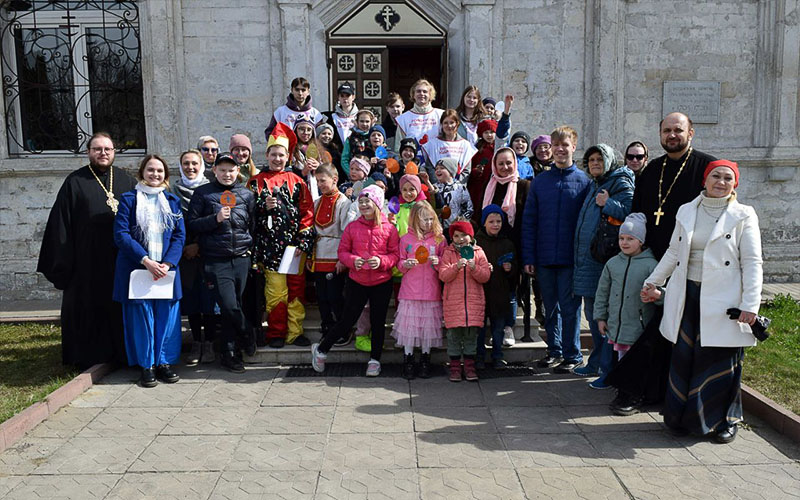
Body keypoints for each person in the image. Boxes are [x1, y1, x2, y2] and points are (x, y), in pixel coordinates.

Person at [641, 160, 762, 444]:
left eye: (728, 178)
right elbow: (673, 252)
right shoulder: (687, 210)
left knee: (719, 361)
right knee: (685, 357)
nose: (721, 182)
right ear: (705, 180)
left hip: (723, 300)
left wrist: (750, 305)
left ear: (735, 184)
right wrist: (654, 281)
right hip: (688, 294)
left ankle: (724, 421)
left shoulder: (744, 214)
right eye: (715, 176)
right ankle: (681, 418)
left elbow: (753, 262)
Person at [607, 112, 717, 413]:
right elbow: (640, 214)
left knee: (668, 331)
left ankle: (641, 390)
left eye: (678, 130)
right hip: (652, 260)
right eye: (667, 130)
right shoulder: (652, 169)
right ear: (660, 134)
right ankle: (639, 390)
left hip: (690, 264)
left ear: (690, 133)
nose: (672, 135)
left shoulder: (707, 168)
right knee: (649, 328)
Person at [38, 132, 137, 369]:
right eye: (97, 149)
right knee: (87, 308)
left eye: (108, 149)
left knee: (119, 308)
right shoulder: (75, 182)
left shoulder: (127, 180)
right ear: (88, 152)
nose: (103, 153)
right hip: (86, 262)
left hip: (119, 260)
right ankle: (88, 357)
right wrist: (63, 264)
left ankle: (123, 354)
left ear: (114, 152)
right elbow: (60, 224)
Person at [522, 126, 591, 373]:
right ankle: (555, 350)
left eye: (565, 145)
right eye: (556, 145)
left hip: (571, 259)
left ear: (574, 147)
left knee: (571, 308)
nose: (560, 149)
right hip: (544, 257)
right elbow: (529, 221)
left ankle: (573, 355)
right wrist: (529, 256)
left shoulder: (584, 182)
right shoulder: (540, 182)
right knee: (549, 307)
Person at [311, 185, 400, 377]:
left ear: (377, 203)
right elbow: (342, 252)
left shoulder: (390, 229)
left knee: (378, 322)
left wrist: (382, 261)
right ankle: (321, 350)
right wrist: (353, 261)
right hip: (356, 281)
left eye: (368, 201)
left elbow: (395, 255)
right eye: (361, 202)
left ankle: (375, 360)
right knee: (346, 320)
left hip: (381, 281)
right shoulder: (352, 227)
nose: (364, 205)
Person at [112, 155, 185, 387]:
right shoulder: (128, 199)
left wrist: (168, 263)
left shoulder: (172, 201)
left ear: (166, 175)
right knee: (142, 318)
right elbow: (121, 234)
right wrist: (145, 260)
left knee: (166, 317)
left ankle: (164, 363)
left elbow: (179, 235)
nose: (155, 175)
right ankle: (147, 365)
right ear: (142, 172)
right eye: (151, 170)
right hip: (138, 268)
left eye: (160, 171)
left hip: (165, 271)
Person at [572, 144, 634, 388]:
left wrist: (607, 203)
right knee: (592, 313)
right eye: (591, 160)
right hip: (589, 261)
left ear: (609, 161)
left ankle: (609, 371)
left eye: (599, 159)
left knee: (602, 317)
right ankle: (596, 361)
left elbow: (631, 215)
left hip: (603, 262)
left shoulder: (619, 182)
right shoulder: (595, 184)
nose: (595, 163)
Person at [187, 153, 255, 373]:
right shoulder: (203, 193)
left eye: (231, 170)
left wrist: (248, 246)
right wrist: (214, 219)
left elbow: (251, 225)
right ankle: (246, 331)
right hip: (216, 259)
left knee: (233, 305)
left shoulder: (246, 194)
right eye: (223, 169)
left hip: (241, 258)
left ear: (238, 171)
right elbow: (193, 225)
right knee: (228, 304)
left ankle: (230, 352)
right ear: (214, 170)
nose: (227, 174)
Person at [251, 123, 316, 348]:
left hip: (294, 249)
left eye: (282, 155)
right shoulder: (255, 183)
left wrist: (302, 241)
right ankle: (276, 333)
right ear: (267, 155)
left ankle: (295, 332)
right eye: (274, 154)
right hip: (269, 250)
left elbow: (308, 213)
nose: (277, 159)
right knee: (276, 292)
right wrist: (262, 207)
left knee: (297, 291)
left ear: (287, 156)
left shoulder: (297, 181)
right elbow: (247, 218)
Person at [593, 213, 661, 401]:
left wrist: (656, 296)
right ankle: (623, 387)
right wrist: (600, 317)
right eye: (622, 238)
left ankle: (635, 391)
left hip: (638, 325)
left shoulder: (651, 265)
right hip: (617, 324)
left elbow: (661, 292)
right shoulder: (613, 264)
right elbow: (602, 292)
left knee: (637, 360)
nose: (624, 242)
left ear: (640, 241)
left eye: (630, 239)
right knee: (621, 357)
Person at [169, 149, 217, 365]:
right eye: (186, 163)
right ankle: (197, 341)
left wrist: (198, 244)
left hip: (206, 251)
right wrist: (186, 246)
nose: (190, 167)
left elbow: (216, 223)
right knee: (192, 299)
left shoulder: (210, 190)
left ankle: (210, 343)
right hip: (184, 254)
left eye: (194, 163)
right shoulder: (172, 191)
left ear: (202, 165)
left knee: (208, 299)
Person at [392, 202, 447, 379]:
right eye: (424, 219)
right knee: (409, 328)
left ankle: (425, 358)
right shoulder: (406, 239)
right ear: (415, 219)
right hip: (410, 291)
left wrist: (438, 262)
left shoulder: (439, 239)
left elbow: (446, 263)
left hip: (431, 292)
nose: (429, 223)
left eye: (431, 219)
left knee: (427, 328)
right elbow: (399, 262)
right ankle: (408, 359)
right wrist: (405, 264)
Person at [482, 147, 530, 346]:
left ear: (515, 163)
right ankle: (492, 327)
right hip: (491, 243)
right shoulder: (489, 185)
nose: (504, 167)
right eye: (500, 163)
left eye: (508, 163)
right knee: (492, 286)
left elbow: (528, 219)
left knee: (511, 287)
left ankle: (508, 327)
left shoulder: (524, 186)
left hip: (514, 243)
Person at [439, 221, 491, 382]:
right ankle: (454, 367)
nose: (460, 239)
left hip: (473, 304)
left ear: (471, 236)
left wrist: (475, 267)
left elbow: (485, 276)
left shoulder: (478, 252)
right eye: (456, 236)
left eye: (463, 235)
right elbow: (443, 275)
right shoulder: (448, 253)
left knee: (470, 337)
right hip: (453, 303)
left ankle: (469, 367)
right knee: (454, 336)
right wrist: (456, 267)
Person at [309, 164, 355, 343]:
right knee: (321, 295)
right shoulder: (317, 202)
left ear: (334, 179)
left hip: (335, 254)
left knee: (335, 295)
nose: (320, 184)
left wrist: (342, 259)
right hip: (319, 252)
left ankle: (343, 328)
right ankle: (327, 325)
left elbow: (346, 232)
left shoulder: (344, 202)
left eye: (323, 180)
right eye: (318, 181)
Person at [475, 205, 518, 369]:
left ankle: (498, 356)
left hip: (500, 293)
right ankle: (478, 357)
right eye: (491, 221)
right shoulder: (476, 242)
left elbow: (515, 267)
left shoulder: (507, 243)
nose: (495, 225)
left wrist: (511, 268)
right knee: (479, 329)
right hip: (481, 292)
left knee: (498, 328)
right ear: (484, 222)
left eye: (498, 221)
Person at [419, 109, 477, 182]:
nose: (449, 126)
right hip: (438, 188)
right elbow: (430, 168)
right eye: (445, 123)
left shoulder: (465, 145)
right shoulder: (433, 144)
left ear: (457, 124)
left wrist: (454, 185)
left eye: (452, 122)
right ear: (441, 125)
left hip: (458, 189)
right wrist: (439, 184)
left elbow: (466, 171)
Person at [432, 158, 473, 236]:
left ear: (450, 171)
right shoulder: (433, 188)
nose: (438, 170)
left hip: (455, 230)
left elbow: (469, 208)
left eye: (442, 168)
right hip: (437, 229)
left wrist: (461, 221)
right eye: (436, 168)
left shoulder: (460, 188)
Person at [395, 79, 444, 144]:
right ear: (413, 95)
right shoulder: (403, 119)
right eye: (418, 91)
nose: (421, 94)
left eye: (425, 91)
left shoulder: (441, 115)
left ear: (430, 95)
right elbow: (398, 146)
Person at [291, 117, 325, 201]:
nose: (305, 133)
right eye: (302, 129)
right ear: (296, 130)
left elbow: (328, 172)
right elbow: (287, 173)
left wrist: (319, 168)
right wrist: (303, 172)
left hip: (317, 189)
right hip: (299, 191)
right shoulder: (290, 149)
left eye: (309, 129)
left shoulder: (318, 149)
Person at [322, 82, 358, 150]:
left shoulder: (360, 116)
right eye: (342, 96)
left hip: (355, 154)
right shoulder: (331, 117)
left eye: (347, 95)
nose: (345, 98)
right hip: (337, 155)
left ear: (353, 97)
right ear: (338, 97)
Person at [341, 109, 375, 174]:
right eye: (361, 121)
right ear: (357, 122)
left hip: (373, 174)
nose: (364, 124)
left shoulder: (376, 136)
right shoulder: (351, 138)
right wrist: (351, 173)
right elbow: (344, 159)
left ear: (371, 122)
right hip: (356, 175)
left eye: (367, 121)